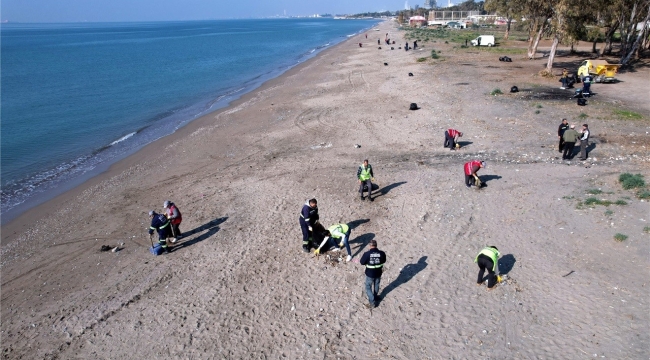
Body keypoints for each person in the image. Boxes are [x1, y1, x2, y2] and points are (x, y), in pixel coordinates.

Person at [359, 240, 386, 308]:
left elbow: (362, 262)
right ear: (376, 245)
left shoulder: (367, 254)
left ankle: (372, 301)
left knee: (368, 287)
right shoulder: (381, 253)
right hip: (378, 272)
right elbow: (384, 260)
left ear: (370, 246)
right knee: (376, 285)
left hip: (370, 273)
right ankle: (376, 297)